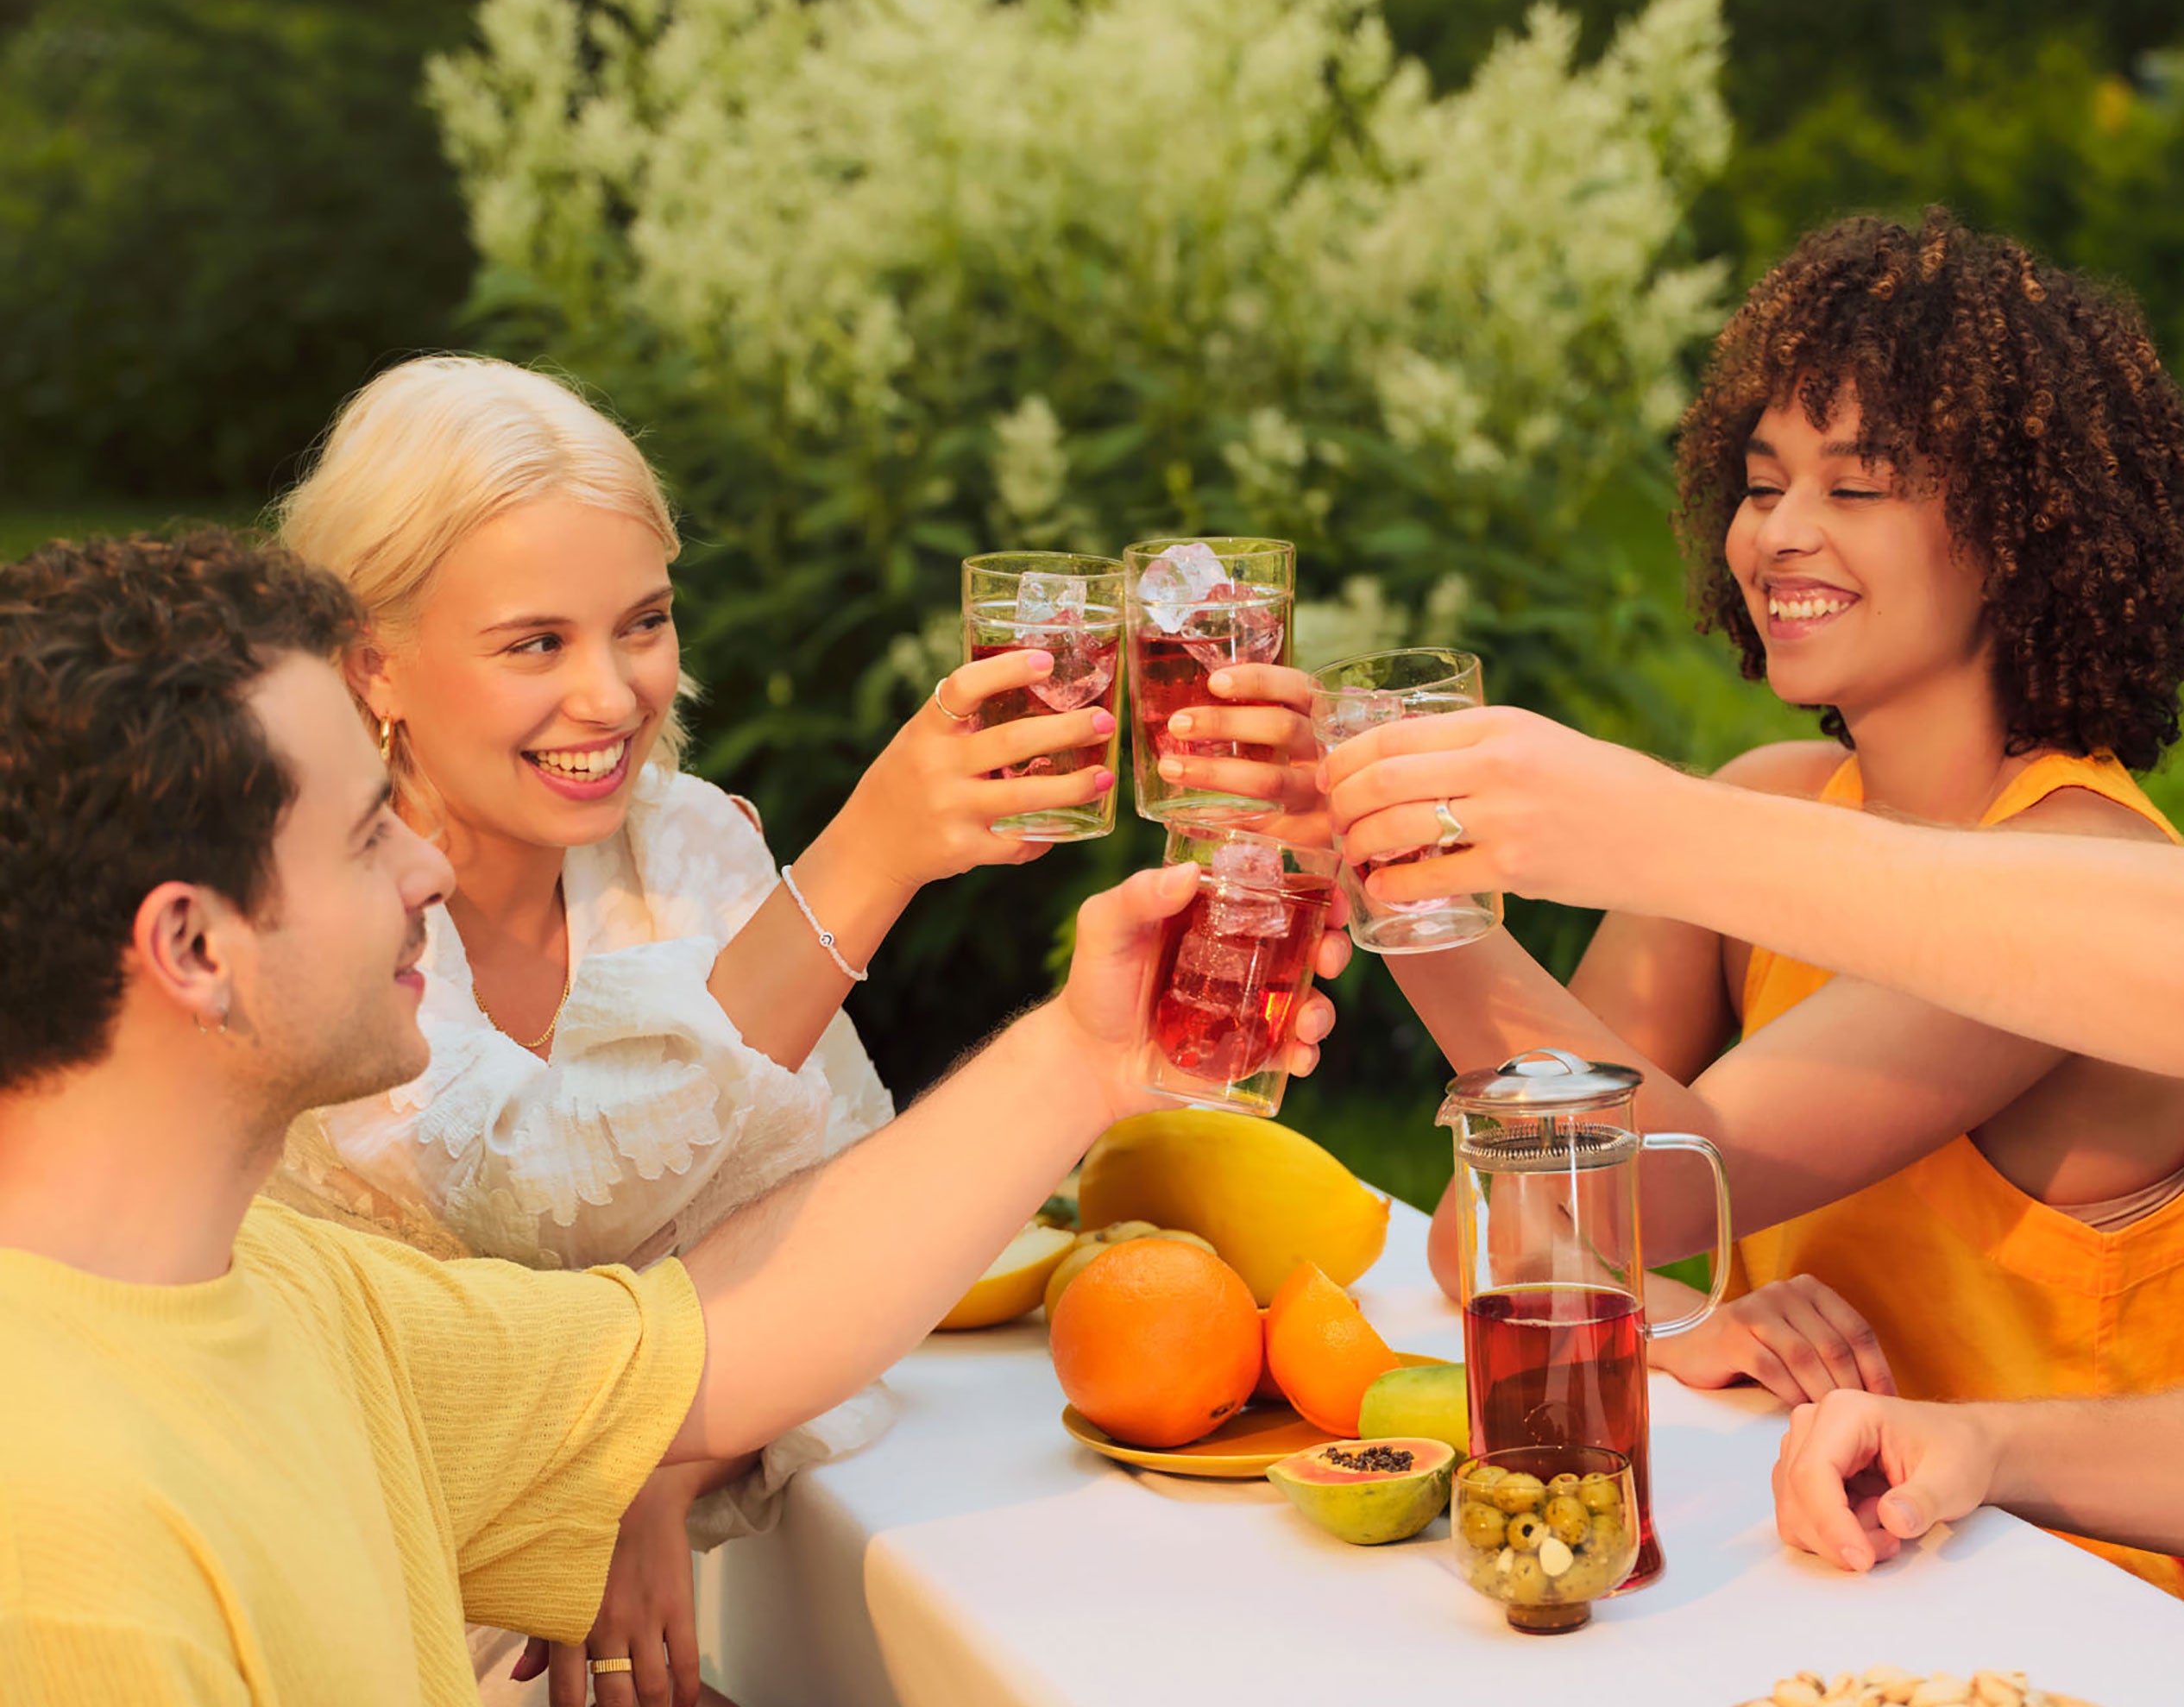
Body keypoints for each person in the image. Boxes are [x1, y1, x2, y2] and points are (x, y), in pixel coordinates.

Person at [0, 529, 1342, 1704]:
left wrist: (1092, 1057)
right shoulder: (68, 1571)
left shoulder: (285, 1288)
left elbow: (716, 1346)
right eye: (364, 838)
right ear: (190, 945)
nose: (421, 867)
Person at [1319, 210, 2184, 1683]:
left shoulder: (2076, 882)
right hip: (1856, 1542)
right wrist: (1692, 1318)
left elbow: (1659, 1170)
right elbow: (1486, 1228)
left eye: (1856, 486)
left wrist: (1404, 888)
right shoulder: (1764, 813)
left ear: (2024, 527)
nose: (1778, 535)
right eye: (1759, 484)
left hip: (2122, 1606)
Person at [257, 356, 1109, 1702]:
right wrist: (862, 866)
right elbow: (533, 1197)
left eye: (641, 623)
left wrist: (661, 1467)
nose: (610, 694)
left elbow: (855, 1216)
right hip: (359, 1617)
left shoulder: (689, 844)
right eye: (536, 642)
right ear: (375, 663)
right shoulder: (310, 906)